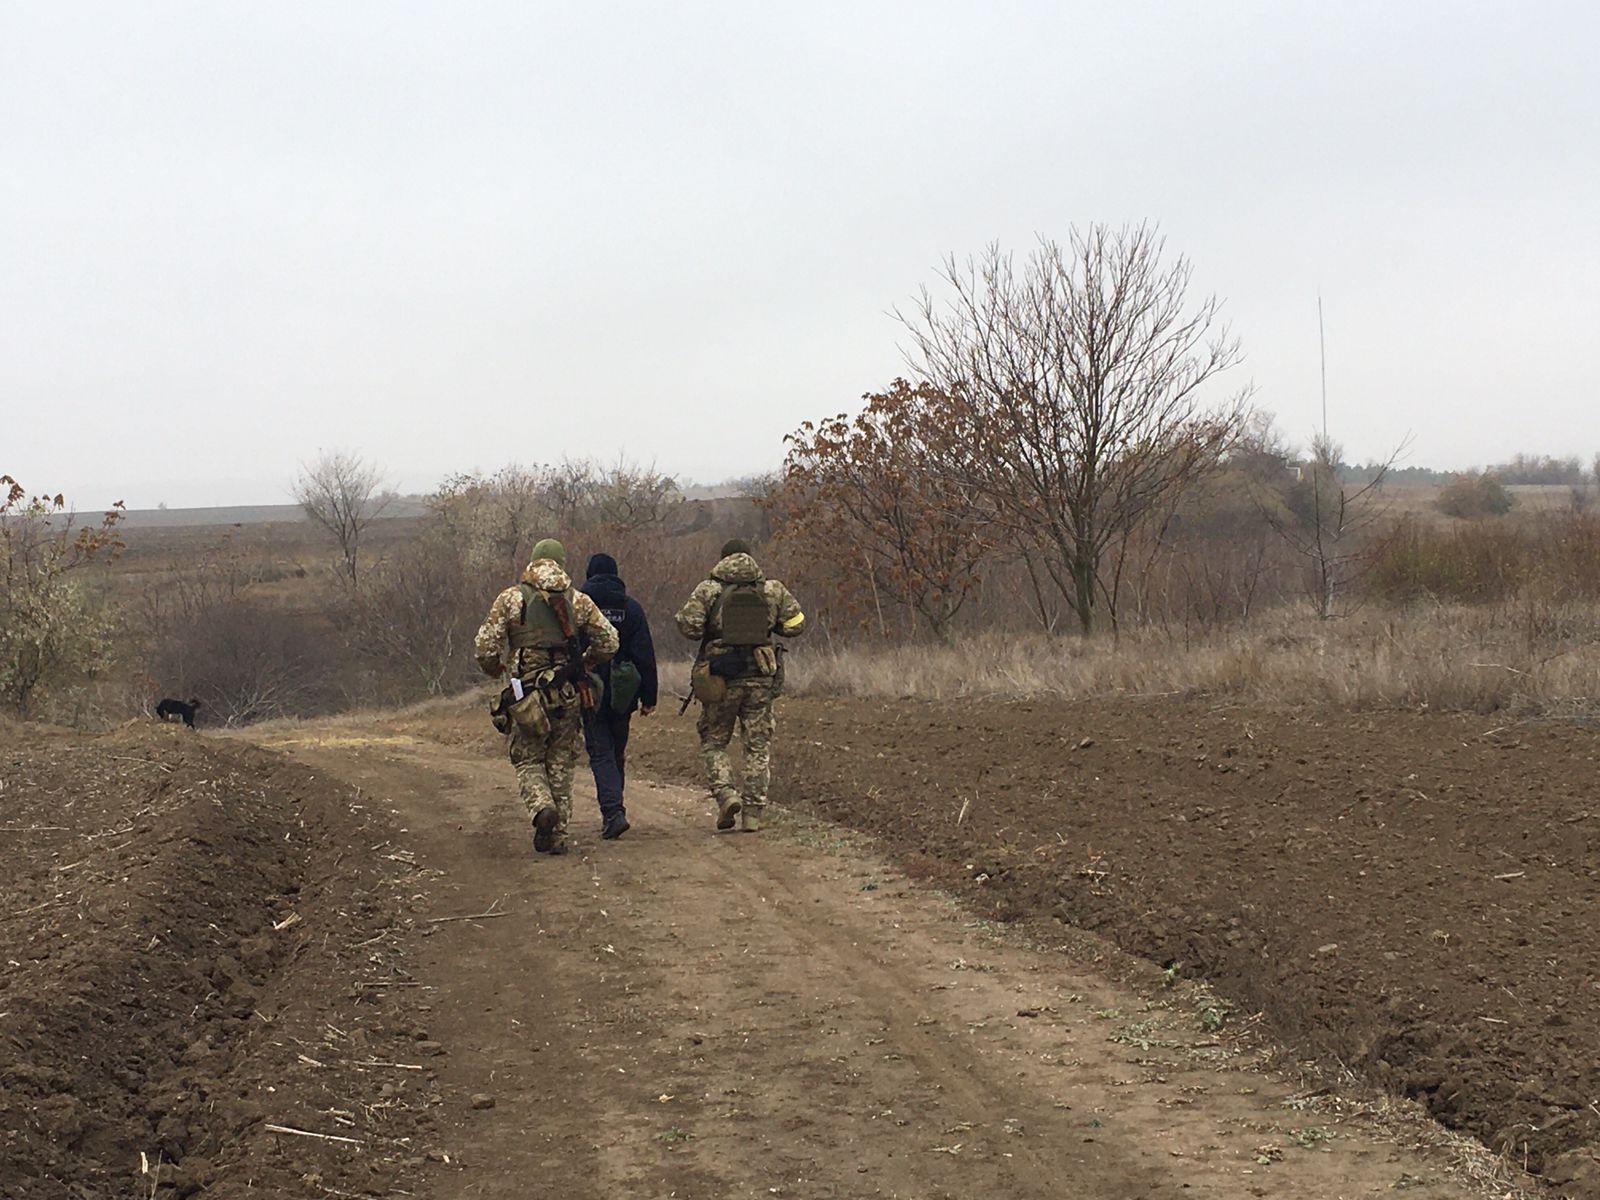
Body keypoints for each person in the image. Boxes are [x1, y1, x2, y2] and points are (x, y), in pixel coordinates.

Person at [475, 538, 618, 856]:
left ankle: (541, 808)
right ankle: (558, 837)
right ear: (561, 564)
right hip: (567, 692)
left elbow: (485, 646)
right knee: (561, 762)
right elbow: (610, 641)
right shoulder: (578, 600)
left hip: (525, 695)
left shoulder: (511, 599)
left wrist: (495, 667)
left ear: (533, 563)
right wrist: (589, 659)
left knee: (527, 759)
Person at [675, 538, 806, 832]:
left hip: (721, 678)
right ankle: (753, 814)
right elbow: (797, 623)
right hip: (761, 675)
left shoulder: (709, 589)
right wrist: (772, 628)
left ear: (722, 560)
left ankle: (726, 794)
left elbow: (687, 626)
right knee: (757, 746)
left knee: (714, 741)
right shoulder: (772, 589)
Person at [578, 552, 659, 840]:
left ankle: (613, 813)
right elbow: (644, 654)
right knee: (616, 752)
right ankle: (615, 810)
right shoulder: (631, 607)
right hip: (625, 692)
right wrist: (649, 696)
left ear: (589, 575)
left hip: (591, 689)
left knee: (600, 753)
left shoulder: (579, 606)